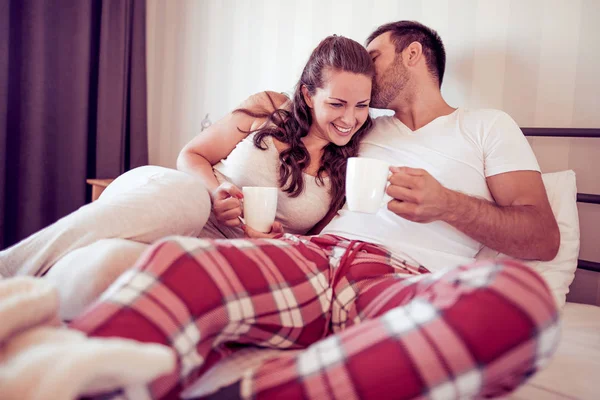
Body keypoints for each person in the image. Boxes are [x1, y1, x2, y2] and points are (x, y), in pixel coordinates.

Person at [69, 21, 561, 400]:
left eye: (373, 57)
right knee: (180, 265)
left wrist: (448, 204)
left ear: (413, 55)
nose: (358, 90)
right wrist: (257, 115)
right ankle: (66, 374)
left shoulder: (486, 127)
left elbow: (542, 238)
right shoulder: (363, 127)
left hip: (401, 278)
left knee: (521, 301)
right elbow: (297, 129)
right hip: (313, 255)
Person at [0, 35, 374, 282]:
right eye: (337, 104)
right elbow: (191, 154)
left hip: (211, 251)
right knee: (192, 203)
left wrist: (275, 237)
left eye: (362, 106)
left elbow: (311, 239)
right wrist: (216, 191)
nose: (349, 119)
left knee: (104, 271)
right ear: (308, 95)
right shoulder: (272, 109)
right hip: (170, 200)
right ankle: (9, 270)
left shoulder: (350, 166)